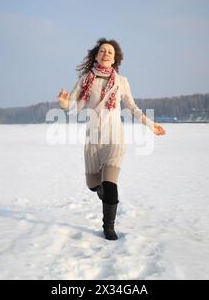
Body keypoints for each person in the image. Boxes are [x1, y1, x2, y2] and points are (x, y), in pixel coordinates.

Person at [57, 38, 166, 240]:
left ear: (114, 59)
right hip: (93, 140)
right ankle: (99, 190)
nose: (106, 53)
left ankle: (109, 226)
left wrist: (151, 125)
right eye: (102, 51)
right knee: (93, 185)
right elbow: (73, 107)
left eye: (110, 52)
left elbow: (132, 108)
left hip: (115, 138)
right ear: (96, 56)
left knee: (111, 184)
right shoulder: (84, 80)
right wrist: (64, 102)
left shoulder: (121, 82)